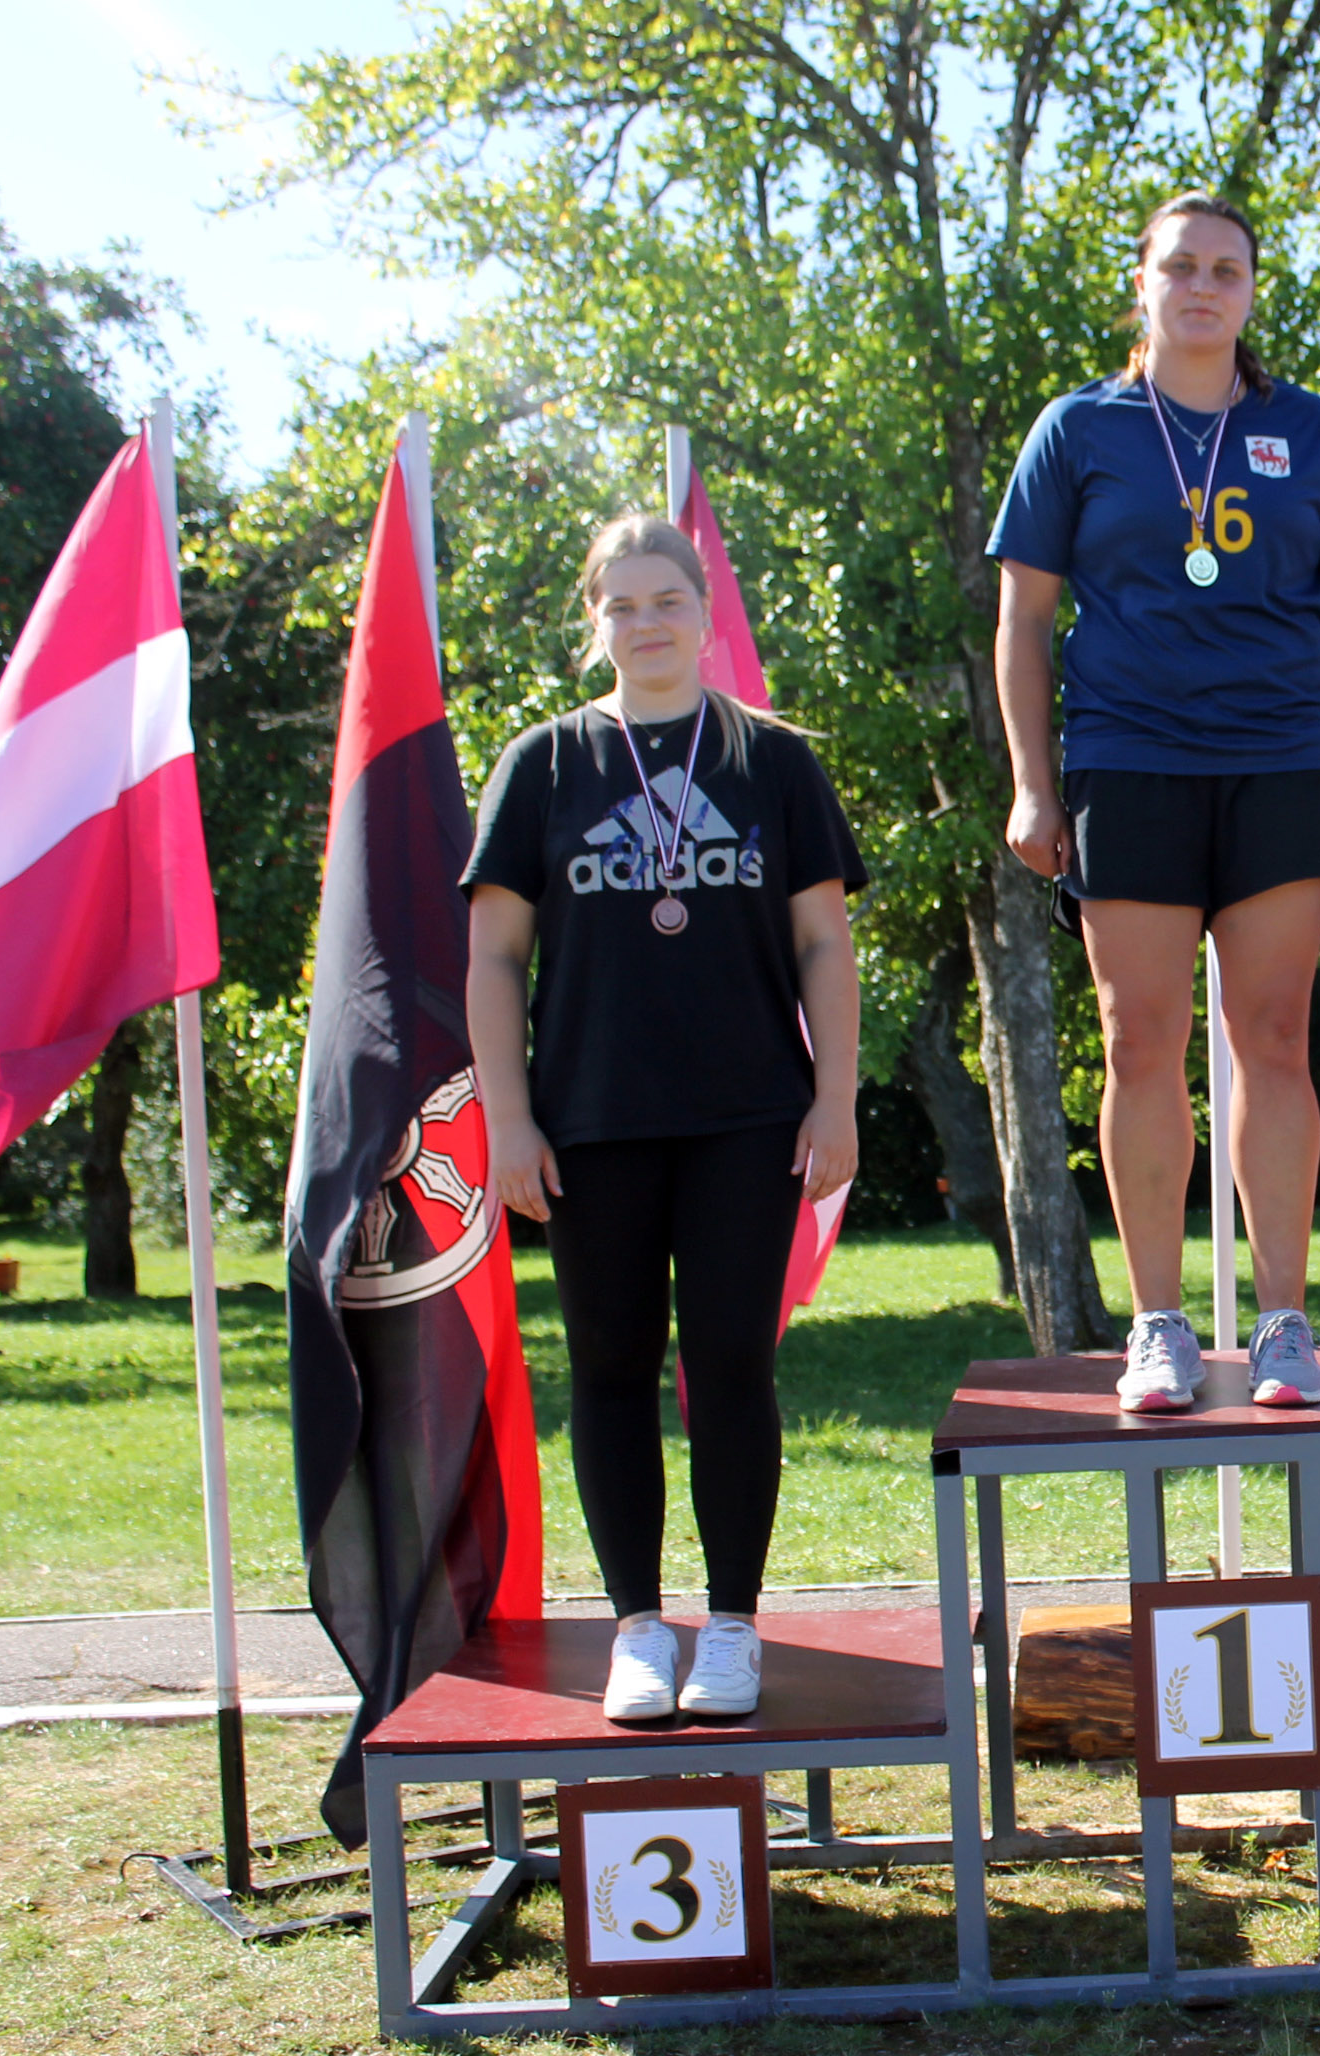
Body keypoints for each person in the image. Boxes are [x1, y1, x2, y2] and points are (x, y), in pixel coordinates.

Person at [989, 191, 1320, 1414]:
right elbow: (1023, 618)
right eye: (1182, 266)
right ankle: (1158, 1324)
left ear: (1252, 290)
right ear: (1145, 282)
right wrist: (1032, 783)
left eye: (1227, 269)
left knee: (1272, 1037)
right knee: (1138, 1039)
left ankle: (1284, 1323)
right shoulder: (1078, 429)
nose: (1204, 287)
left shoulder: (1308, 431)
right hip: (1129, 762)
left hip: (1279, 763)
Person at [464, 514, 865, 1723]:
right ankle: (638, 1627)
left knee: (733, 1366)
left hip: (750, 1117)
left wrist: (835, 1097)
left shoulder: (772, 760)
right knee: (610, 1368)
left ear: (704, 614)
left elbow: (823, 942)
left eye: (666, 600)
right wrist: (509, 1117)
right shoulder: (544, 764)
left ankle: (732, 1626)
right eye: (622, 605)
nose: (646, 624)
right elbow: (494, 957)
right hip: (591, 1122)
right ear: (595, 622)